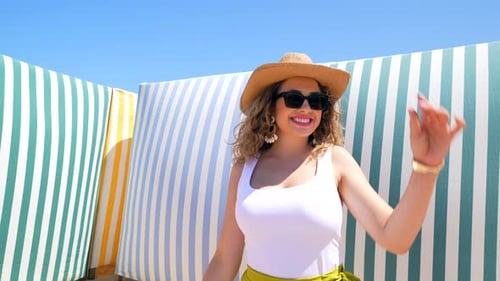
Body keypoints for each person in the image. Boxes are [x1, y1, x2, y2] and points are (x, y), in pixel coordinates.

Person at [203, 52, 466, 281]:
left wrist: (427, 165)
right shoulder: (244, 168)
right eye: (294, 98)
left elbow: (394, 238)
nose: (306, 108)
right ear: (270, 105)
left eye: (316, 101)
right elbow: (225, 259)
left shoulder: (335, 160)